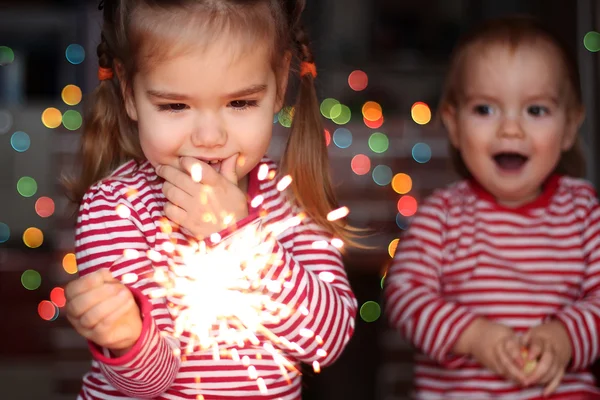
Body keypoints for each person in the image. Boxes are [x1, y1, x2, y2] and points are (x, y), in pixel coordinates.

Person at [63, 1, 357, 399]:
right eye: (175, 106)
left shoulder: (291, 197)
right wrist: (126, 335)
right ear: (130, 93)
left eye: (240, 103)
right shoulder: (116, 208)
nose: (208, 137)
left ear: (278, 87)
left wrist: (240, 236)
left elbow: (328, 340)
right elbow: (152, 381)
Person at [384, 16, 600, 399]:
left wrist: (565, 336)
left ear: (569, 126)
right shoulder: (442, 216)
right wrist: (473, 335)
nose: (510, 130)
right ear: (453, 124)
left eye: (536, 111)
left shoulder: (584, 212)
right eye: (485, 110)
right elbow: (404, 296)